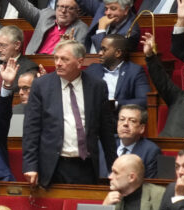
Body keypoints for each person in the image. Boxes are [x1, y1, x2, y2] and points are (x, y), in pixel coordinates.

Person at [21, 40, 117, 187]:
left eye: (64, 59)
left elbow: (106, 131)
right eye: (56, 58)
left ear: (79, 62)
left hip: (86, 164)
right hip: (53, 165)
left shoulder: (97, 86)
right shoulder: (41, 86)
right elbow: (31, 129)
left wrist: (114, 167)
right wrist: (30, 166)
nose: (58, 63)